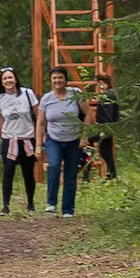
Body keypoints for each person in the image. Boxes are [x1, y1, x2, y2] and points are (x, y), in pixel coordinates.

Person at [36, 66, 87, 218]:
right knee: (54, 166)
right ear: (50, 80)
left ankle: (68, 209)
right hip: (54, 139)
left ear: (65, 80)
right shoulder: (46, 99)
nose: (57, 80)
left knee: (70, 174)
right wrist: (38, 145)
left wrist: (85, 136)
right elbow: (40, 123)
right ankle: (51, 203)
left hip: (74, 140)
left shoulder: (76, 94)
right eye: (54, 78)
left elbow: (88, 114)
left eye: (60, 77)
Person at [0, 66, 39, 216]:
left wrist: (40, 138)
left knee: (28, 172)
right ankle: (5, 206)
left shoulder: (27, 93)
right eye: (5, 78)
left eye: (10, 77)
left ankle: (30, 204)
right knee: (8, 172)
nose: (8, 81)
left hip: (27, 138)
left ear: (16, 79)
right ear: (1, 82)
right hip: (9, 139)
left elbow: (38, 116)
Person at [88, 72, 120, 181]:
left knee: (103, 149)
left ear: (101, 82)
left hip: (106, 127)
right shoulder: (108, 94)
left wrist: (106, 130)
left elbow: (110, 113)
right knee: (105, 151)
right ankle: (111, 174)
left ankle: (112, 174)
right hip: (104, 126)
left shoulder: (109, 95)